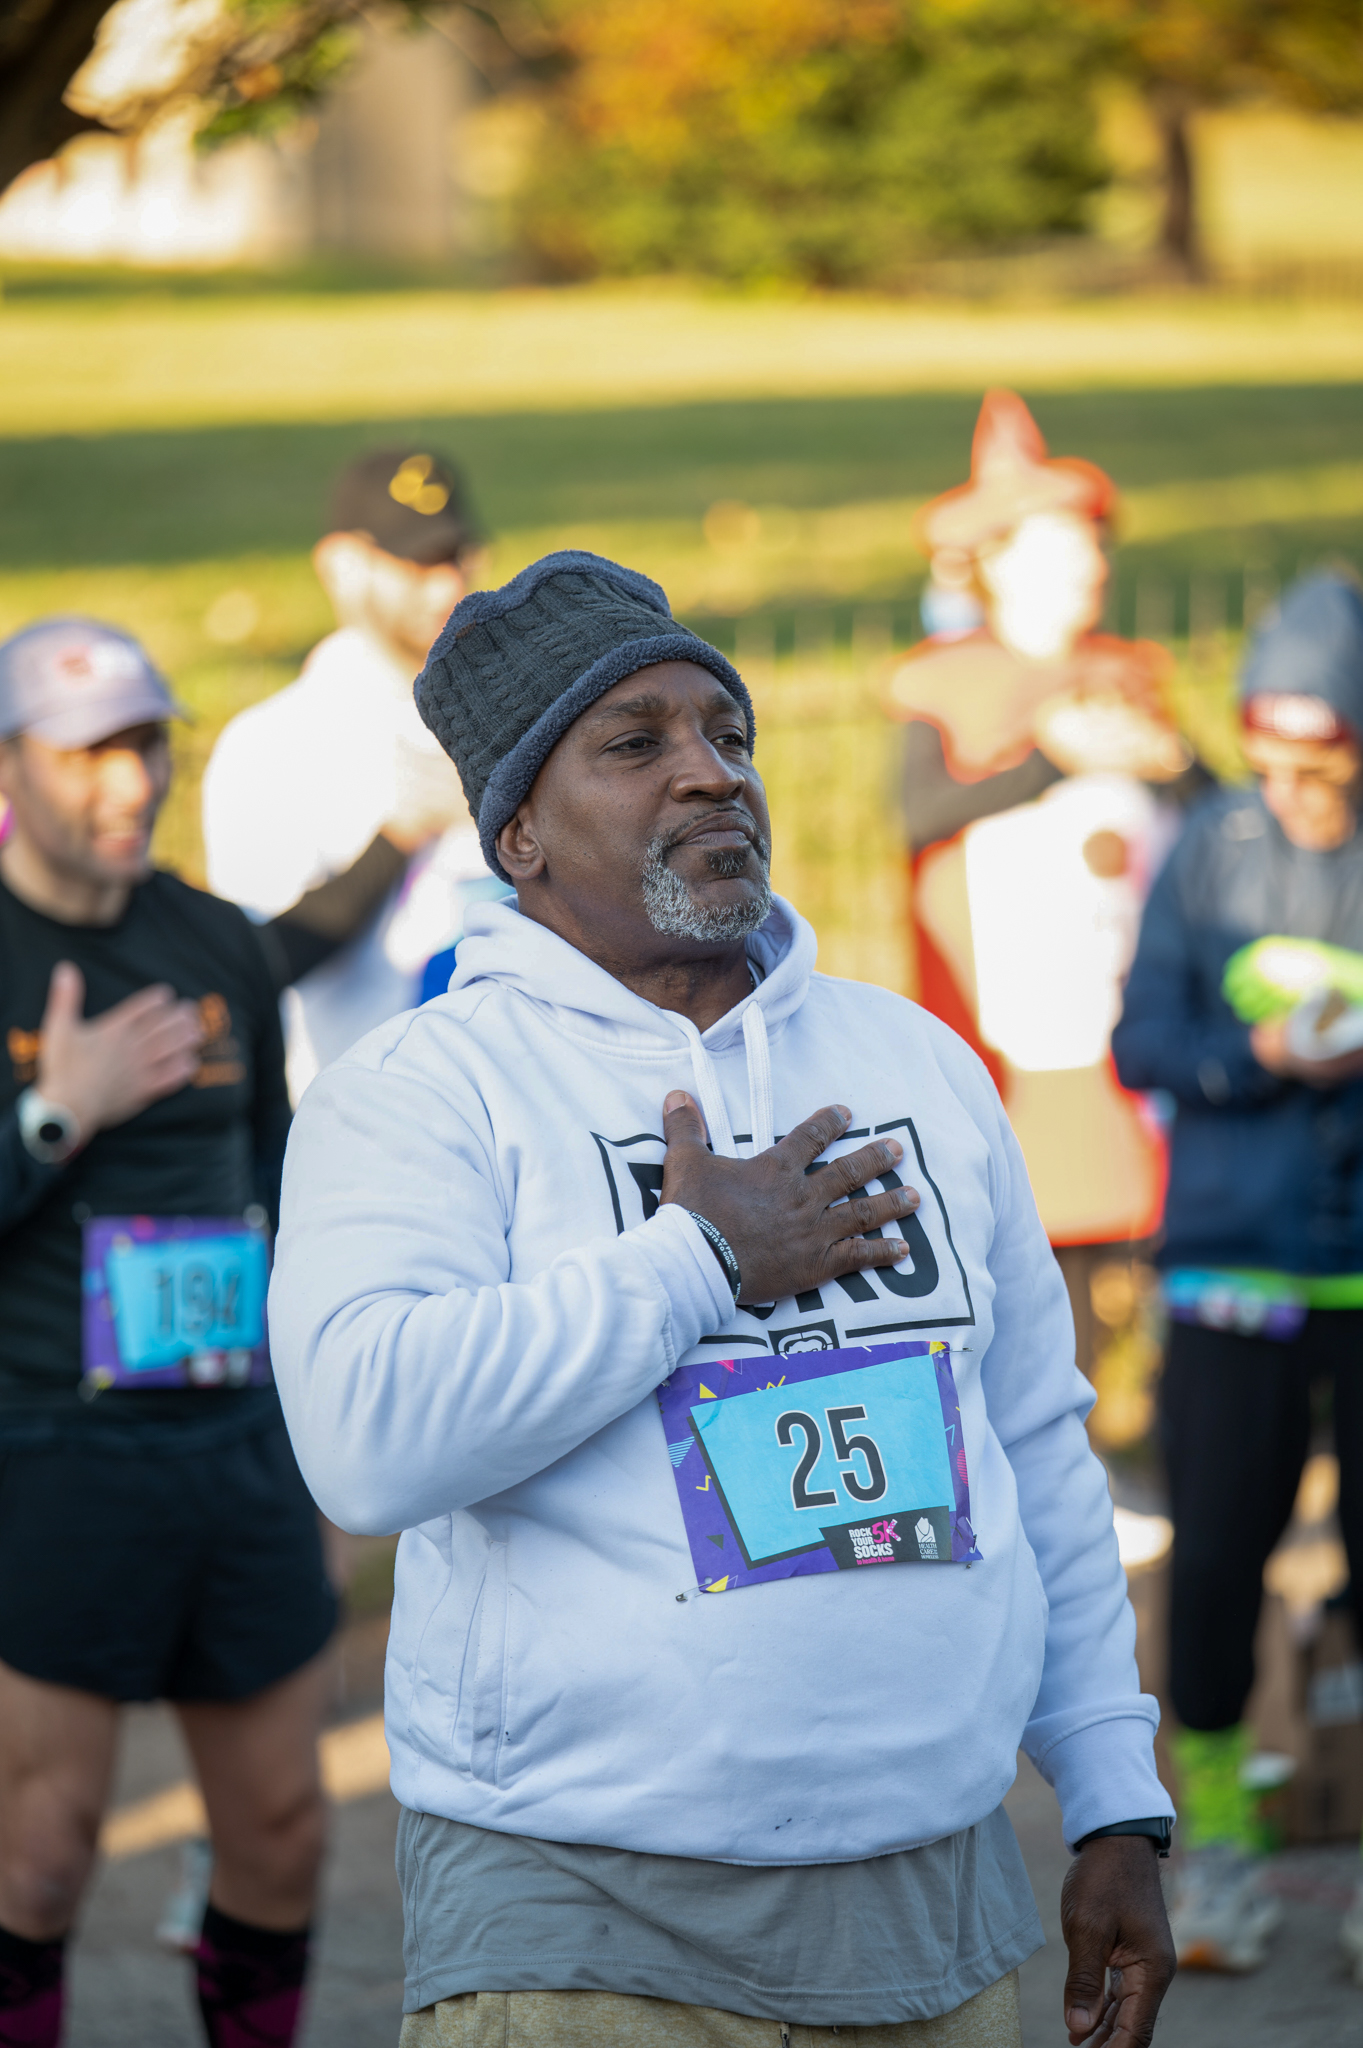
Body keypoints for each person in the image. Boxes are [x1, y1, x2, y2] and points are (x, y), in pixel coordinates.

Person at [269, 550, 1176, 2048]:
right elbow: (371, 1443)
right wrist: (696, 1261)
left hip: (933, 1899)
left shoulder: (915, 1067)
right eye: (635, 744)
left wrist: (1110, 1803)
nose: (708, 774)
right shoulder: (424, 1090)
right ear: (516, 834)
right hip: (587, 1916)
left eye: (726, 735)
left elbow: (1029, 1439)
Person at [0, 617, 337, 2048]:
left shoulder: (215, 945)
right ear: (15, 765)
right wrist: (55, 1113)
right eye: (87, 754)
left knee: (282, 1830)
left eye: (145, 745)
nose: (127, 782)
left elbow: (278, 1183)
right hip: (50, 1448)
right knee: (44, 1850)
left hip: (231, 1439)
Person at [1113, 570, 1363, 1979]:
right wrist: (1252, 1059)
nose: (1291, 797)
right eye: (1266, 766)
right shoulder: (1206, 849)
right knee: (1211, 1566)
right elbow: (1139, 1043)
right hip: (1226, 1271)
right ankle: (1212, 1846)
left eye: (1320, 772)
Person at [884, 390, 1199, 1371]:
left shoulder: (1126, 672)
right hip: (1010, 1015)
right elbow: (917, 809)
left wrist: (1173, 760)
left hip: (1123, 999)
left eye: (1093, 544)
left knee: (1139, 1207)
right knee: (1038, 1229)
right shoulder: (943, 683)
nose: (1093, 564)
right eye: (1067, 544)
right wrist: (1049, 758)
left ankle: (1148, 1415)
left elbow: (1210, 806)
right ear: (1000, 561)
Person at [202, 447, 497, 1100]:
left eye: (454, 558)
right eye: (414, 564)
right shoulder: (270, 745)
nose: (445, 588)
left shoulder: (511, 716)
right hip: (352, 1113)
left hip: (511, 1104)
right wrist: (404, 834)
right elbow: (260, 961)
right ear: (340, 567)